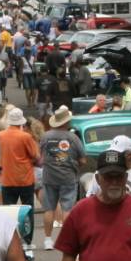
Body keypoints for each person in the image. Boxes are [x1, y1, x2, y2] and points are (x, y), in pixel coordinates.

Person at [39, 107, 86, 251]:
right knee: (67, 208)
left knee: (49, 209)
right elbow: (83, 159)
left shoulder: (45, 136)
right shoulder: (73, 138)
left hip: (49, 176)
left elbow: (40, 156)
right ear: (67, 121)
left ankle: (48, 240)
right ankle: (67, 239)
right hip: (68, 176)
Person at [0, 109, 39, 207]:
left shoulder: (1, 135)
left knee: (9, 211)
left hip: (7, 179)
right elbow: (35, 155)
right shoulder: (26, 137)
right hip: (25, 179)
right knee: (27, 209)